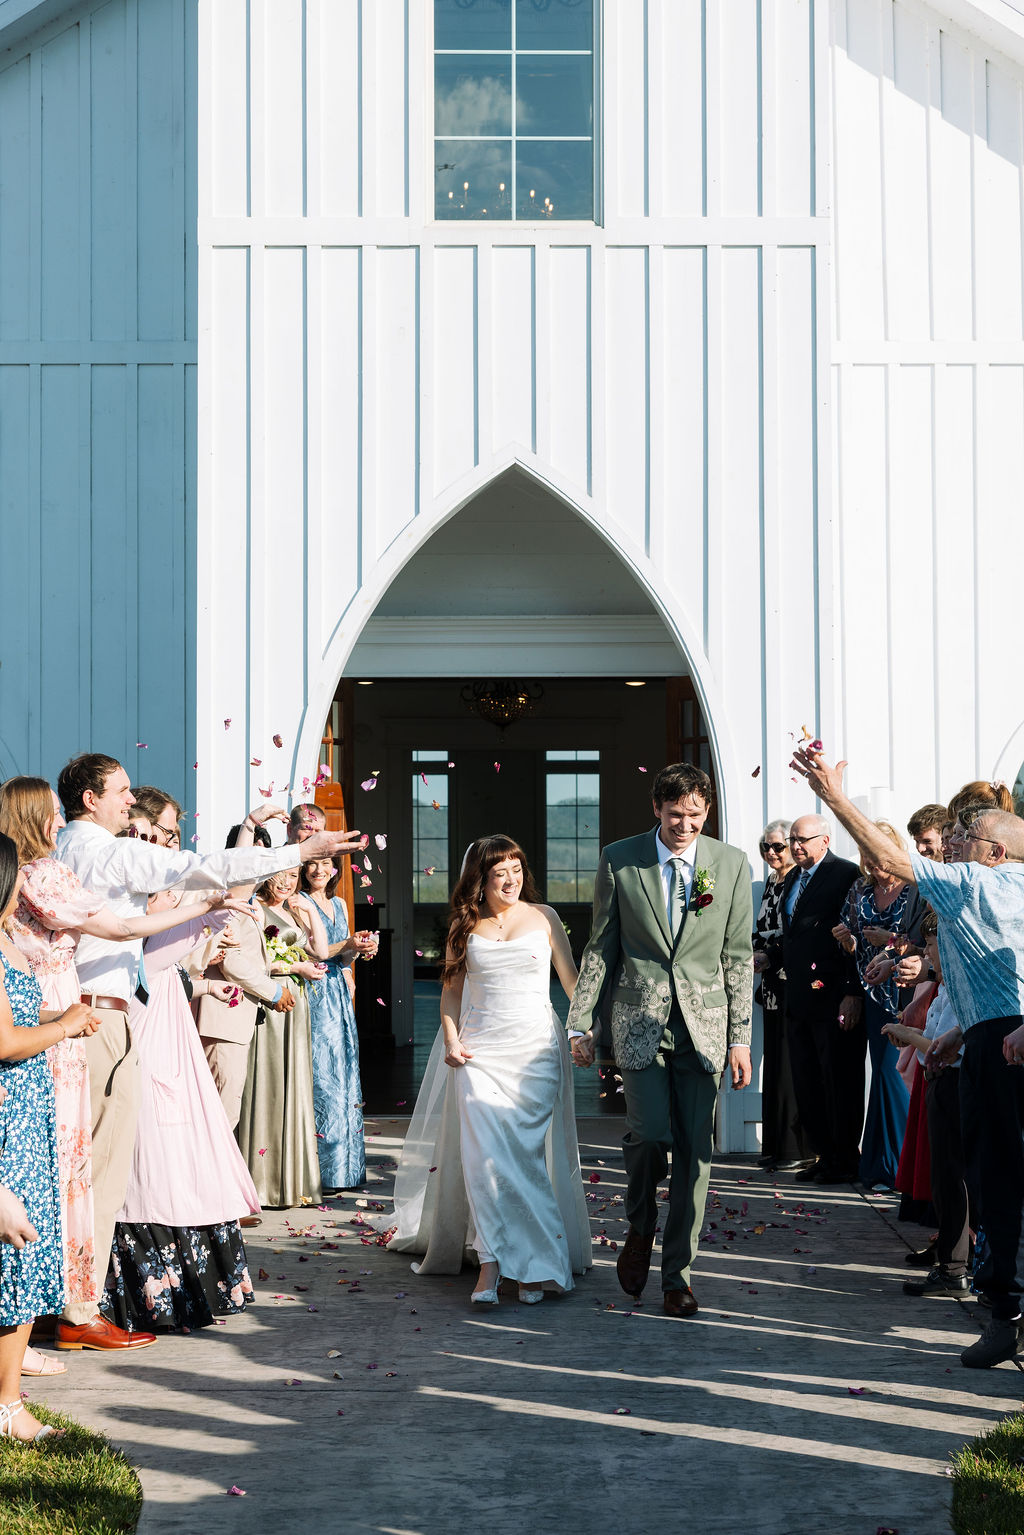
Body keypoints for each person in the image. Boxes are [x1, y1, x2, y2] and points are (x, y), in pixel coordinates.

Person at [51, 751, 361, 1350]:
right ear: (90, 799)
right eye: (118, 791)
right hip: (104, 1018)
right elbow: (202, 865)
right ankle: (80, 1310)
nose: (126, 799)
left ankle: (71, 1301)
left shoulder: (70, 849)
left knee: (81, 1168)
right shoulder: (104, 852)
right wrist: (299, 852)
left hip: (91, 1012)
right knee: (104, 1172)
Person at [0, 776, 249, 1368]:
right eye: (52, 815)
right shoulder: (42, 874)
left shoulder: (38, 872)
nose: (59, 825)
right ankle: (68, 1316)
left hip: (67, 1015)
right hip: (68, 1024)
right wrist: (206, 900)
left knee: (59, 1173)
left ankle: (43, 1320)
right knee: (70, 1173)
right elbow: (118, 928)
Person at [792, 746, 1024, 1368]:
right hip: (987, 1036)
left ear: (995, 851)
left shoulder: (984, 881)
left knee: (1001, 1180)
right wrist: (963, 1033)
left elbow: (896, 859)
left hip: (1010, 1047)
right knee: (990, 1176)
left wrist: (835, 797)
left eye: (963, 835)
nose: (948, 843)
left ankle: (1009, 1315)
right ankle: (1006, 1310)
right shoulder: (1001, 882)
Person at [567, 763, 753, 1318]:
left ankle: (679, 1277)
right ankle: (639, 1228)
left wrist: (741, 1039)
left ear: (707, 812)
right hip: (638, 1020)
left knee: (696, 1155)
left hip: (706, 1028)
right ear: (657, 809)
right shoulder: (620, 859)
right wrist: (581, 1021)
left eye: (696, 815)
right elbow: (601, 946)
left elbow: (737, 958)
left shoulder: (730, 864)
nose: (686, 825)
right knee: (649, 1136)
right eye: (676, 815)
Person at [386, 836, 590, 1304]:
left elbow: (572, 979)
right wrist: (453, 1040)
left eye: (517, 869)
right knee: (481, 1160)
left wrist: (583, 1031)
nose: (511, 879)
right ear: (481, 879)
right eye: (501, 872)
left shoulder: (545, 918)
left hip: (535, 1051)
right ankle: (491, 1265)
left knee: (521, 1161)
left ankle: (533, 1265)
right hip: (480, 1052)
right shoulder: (466, 923)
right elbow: (452, 992)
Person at [102, 896, 261, 1332]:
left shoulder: (150, 952)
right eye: (163, 888)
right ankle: (158, 1298)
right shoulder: (143, 947)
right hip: (152, 1069)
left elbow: (171, 980)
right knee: (158, 1177)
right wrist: (248, 831)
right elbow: (208, 917)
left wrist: (209, 987)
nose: (173, 896)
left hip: (172, 1067)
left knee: (181, 1171)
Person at [0, 833, 100, 1437]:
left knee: (20, 1256)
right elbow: (3, 1042)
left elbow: (11, 1017)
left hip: (25, 1107)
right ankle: (7, 1405)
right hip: (9, 1115)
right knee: (12, 1258)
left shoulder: (6, 939)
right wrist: (62, 1026)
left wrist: (58, 1017)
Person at [833, 822, 924, 1189]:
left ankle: (902, 1168)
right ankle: (879, 1166)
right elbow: (848, 931)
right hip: (873, 994)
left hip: (906, 989)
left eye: (881, 856)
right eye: (868, 856)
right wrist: (847, 941)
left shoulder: (916, 888)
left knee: (894, 1073)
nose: (874, 863)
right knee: (882, 1075)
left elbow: (923, 938)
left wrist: (891, 941)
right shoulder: (859, 888)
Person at [780, 814, 864, 1185]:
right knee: (807, 1081)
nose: (795, 846)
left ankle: (845, 1158)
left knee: (838, 1081)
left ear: (824, 841)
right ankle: (824, 1154)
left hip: (833, 998)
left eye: (802, 839)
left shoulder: (845, 874)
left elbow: (853, 935)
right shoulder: (794, 877)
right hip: (798, 997)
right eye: (792, 839)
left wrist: (851, 990)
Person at [238, 868, 328, 1208]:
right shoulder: (257, 907)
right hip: (273, 1000)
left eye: (294, 876)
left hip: (298, 1004)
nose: (288, 882)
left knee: (294, 1083)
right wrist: (296, 969)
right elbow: (255, 962)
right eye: (282, 875)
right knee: (271, 1081)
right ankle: (263, 1182)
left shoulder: (292, 908)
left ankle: (292, 1182)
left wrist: (308, 912)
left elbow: (319, 950)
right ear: (265, 876)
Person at [196, 823, 295, 1133]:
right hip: (221, 1018)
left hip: (237, 1019)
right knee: (220, 1113)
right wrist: (274, 992)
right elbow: (232, 962)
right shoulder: (228, 899)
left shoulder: (253, 902)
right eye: (253, 857)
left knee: (229, 1109)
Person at [301, 856, 378, 1191]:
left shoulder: (340, 903)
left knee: (344, 1074)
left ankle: (346, 1170)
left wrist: (360, 949)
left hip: (337, 994)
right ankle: (322, 1171)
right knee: (323, 1075)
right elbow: (308, 952)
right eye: (313, 864)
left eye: (326, 864)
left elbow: (344, 956)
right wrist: (346, 945)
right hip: (314, 991)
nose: (320, 870)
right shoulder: (298, 902)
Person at [752, 819, 810, 1170]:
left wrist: (767, 953)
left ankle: (795, 1148)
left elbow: (793, 934)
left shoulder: (797, 882)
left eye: (778, 846)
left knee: (790, 1062)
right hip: (770, 983)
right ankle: (774, 1145)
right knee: (773, 1062)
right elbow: (763, 929)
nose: (772, 853)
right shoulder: (771, 883)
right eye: (766, 847)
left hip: (792, 980)